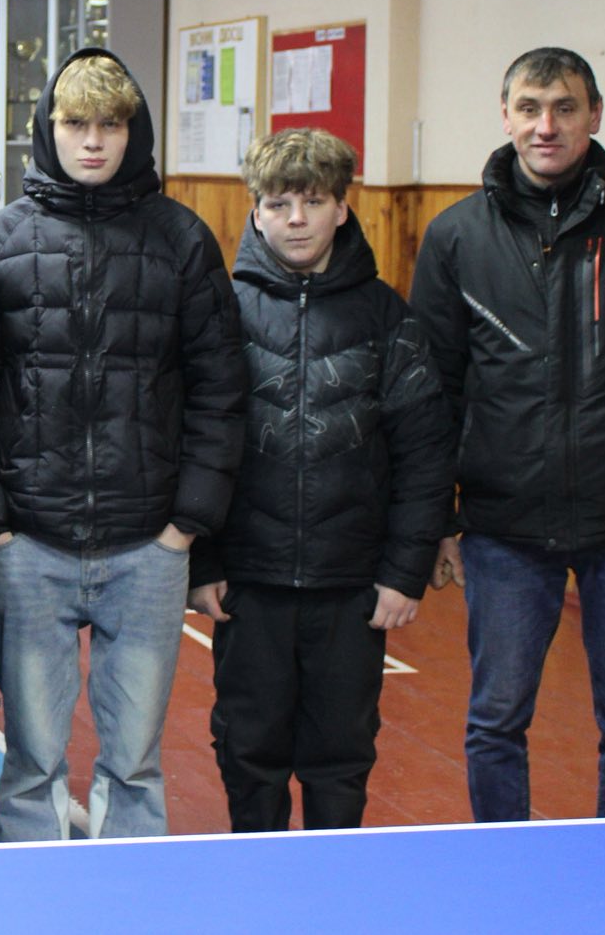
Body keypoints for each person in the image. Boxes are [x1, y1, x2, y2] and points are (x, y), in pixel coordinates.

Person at [410, 46, 605, 821]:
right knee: (495, 723)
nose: (546, 126)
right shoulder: (455, 236)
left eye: (564, 108)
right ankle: (508, 875)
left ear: (595, 115)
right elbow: (430, 395)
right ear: (506, 116)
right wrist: (436, 519)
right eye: (529, 108)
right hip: (502, 524)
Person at [0, 48, 244, 841]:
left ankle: (128, 898)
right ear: (50, 129)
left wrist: (186, 526)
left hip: (149, 545)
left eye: (110, 124)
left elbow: (220, 389)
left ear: (133, 132)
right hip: (29, 544)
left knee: (135, 763)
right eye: (77, 124)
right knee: (31, 762)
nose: (94, 141)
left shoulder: (184, 241)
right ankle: (30, 900)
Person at [186, 128, 453, 832]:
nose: (296, 219)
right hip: (248, 583)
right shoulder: (221, 310)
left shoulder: (387, 316)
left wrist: (404, 572)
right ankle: (257, 878)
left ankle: (336, 880)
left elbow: (424, 452)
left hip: (352, 586)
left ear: (343, 207)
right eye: (279, 203)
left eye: (313, 201)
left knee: (341, 753)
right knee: (248, 748)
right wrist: (202, 562)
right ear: (256, 211)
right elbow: (193, 441)